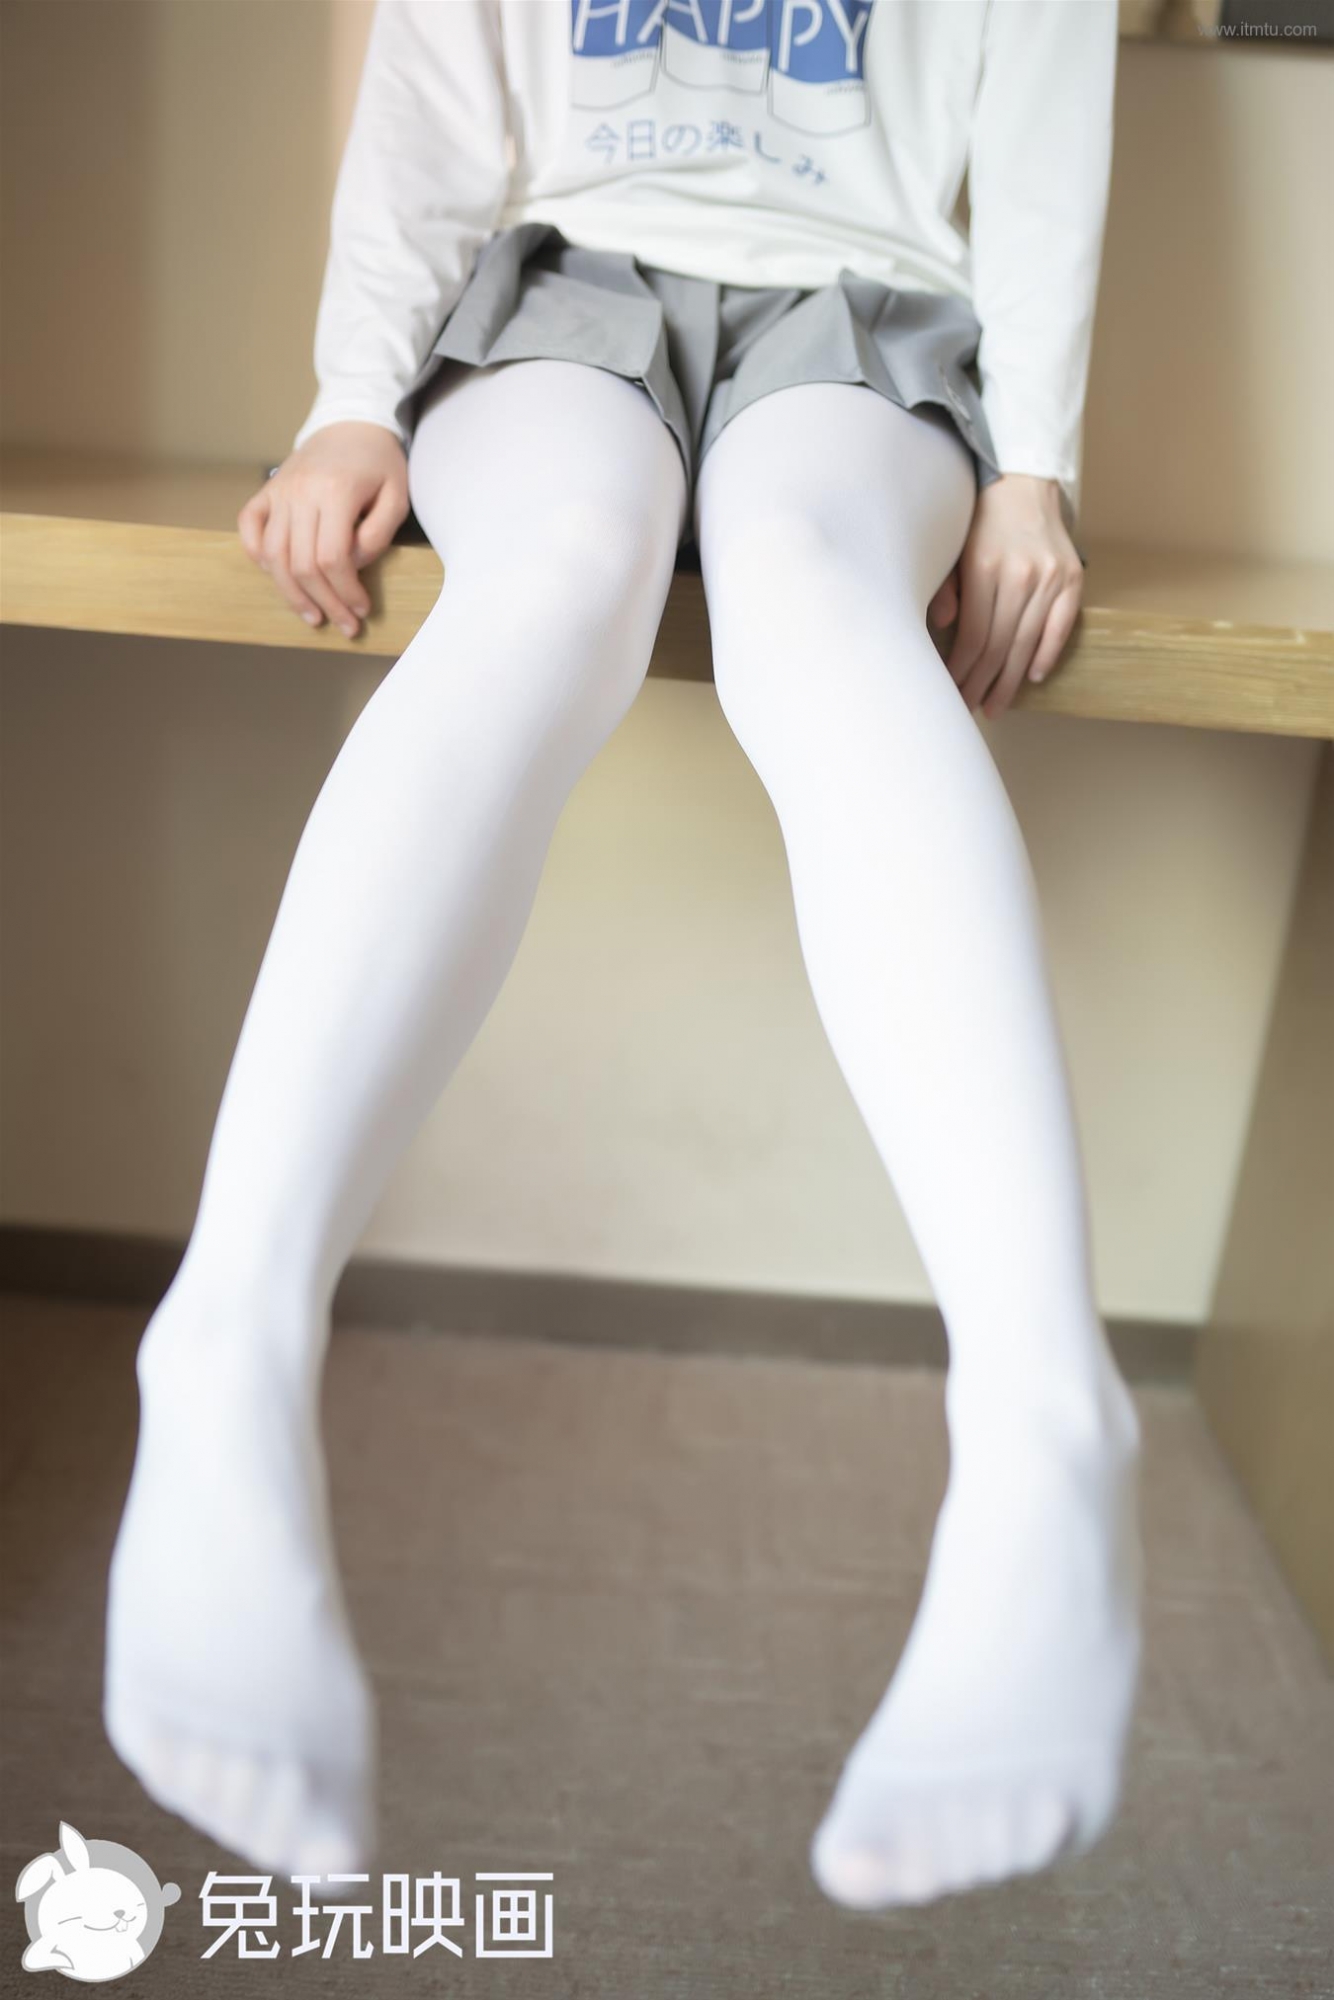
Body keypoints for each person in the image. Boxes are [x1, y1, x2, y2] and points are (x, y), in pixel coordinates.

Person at [103, 0, 1142, 1914]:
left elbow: (1048, 105)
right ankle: (230, 1337)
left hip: (865, 307)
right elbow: (433, 96)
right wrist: (352, 394)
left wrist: (1035, 466)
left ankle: (1042, 1416)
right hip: (566, 282)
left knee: (816, 603)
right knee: (556, 573)